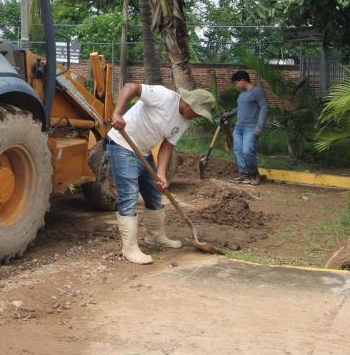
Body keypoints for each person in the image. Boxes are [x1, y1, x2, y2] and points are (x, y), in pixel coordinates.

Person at [108, 82, 215, 264]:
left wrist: (162, 173)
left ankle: (155, 236)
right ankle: (130, 248)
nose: (197, 117)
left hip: (144, 152)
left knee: (154, 194)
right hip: (122, 145)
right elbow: (130, 87)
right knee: (129, 195)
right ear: (189, 104)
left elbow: (168, 145)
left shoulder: (185, 122)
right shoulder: (163, 96)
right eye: (197, 112)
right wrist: (118, 113)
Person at [221, 70, 268, 185]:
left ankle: (254, 175)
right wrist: (229, 114)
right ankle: (243, 175)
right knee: (238, 151)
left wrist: (259, 127)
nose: (236, 86)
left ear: (242, 81)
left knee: (248, 151)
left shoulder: (257, 91)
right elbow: (240, 108)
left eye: (236, 83)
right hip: (239, 127)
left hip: (251, 127)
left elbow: (264, 108)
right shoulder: (242, 94)